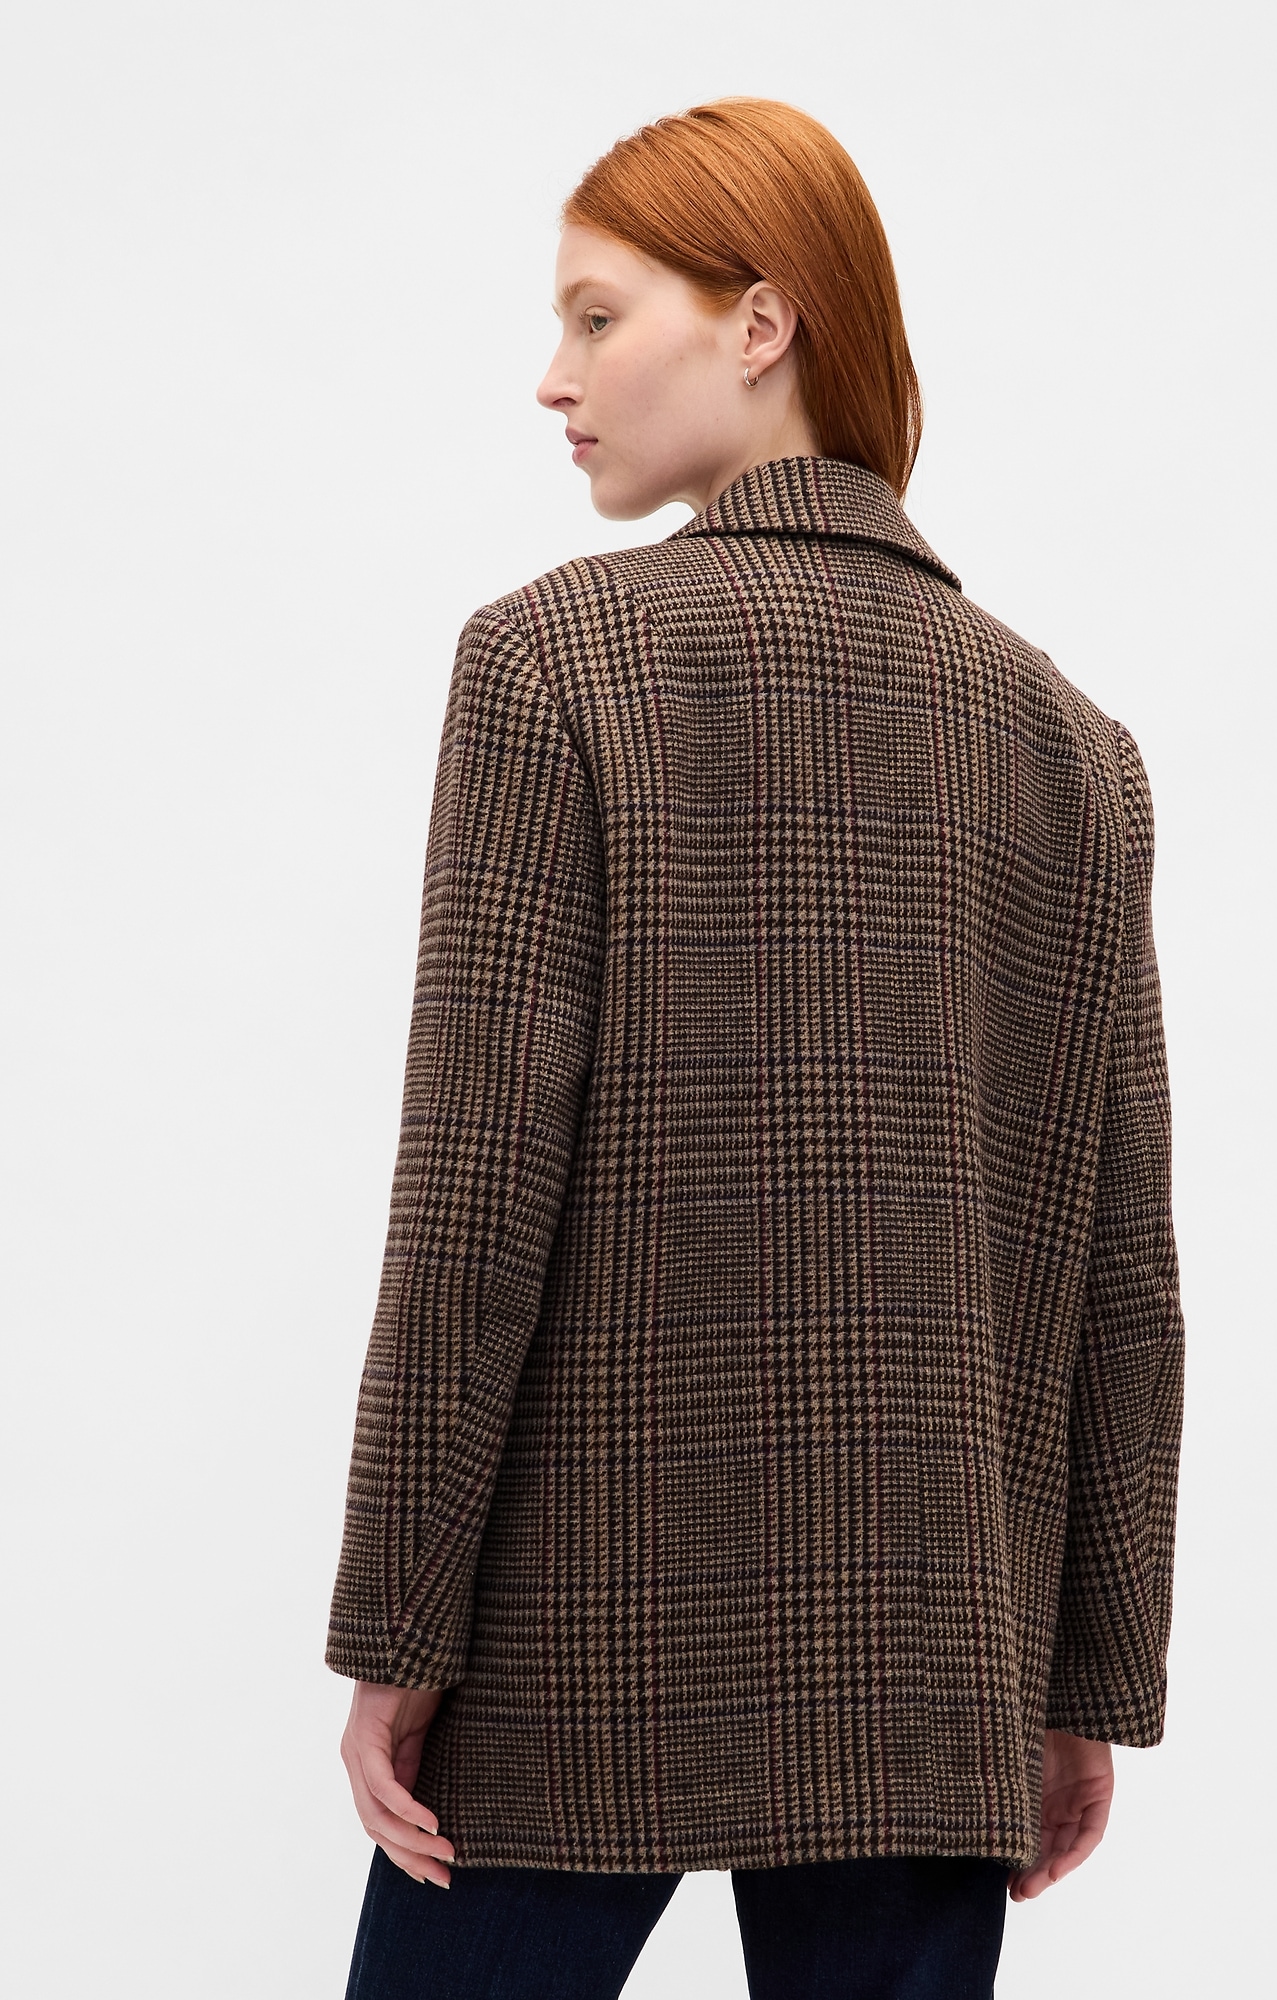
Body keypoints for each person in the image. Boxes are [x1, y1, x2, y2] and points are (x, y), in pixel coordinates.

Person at [327, 97, 1185, 2000]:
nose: (553, 378)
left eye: (596, 316)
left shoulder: (556, 664)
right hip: (933, 1646)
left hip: (572, 1624)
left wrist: (399, 1626)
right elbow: (1123, 1278)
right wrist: (1080, 1680)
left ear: (762, 324)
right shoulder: (1077, 751)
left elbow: (476, 1191)